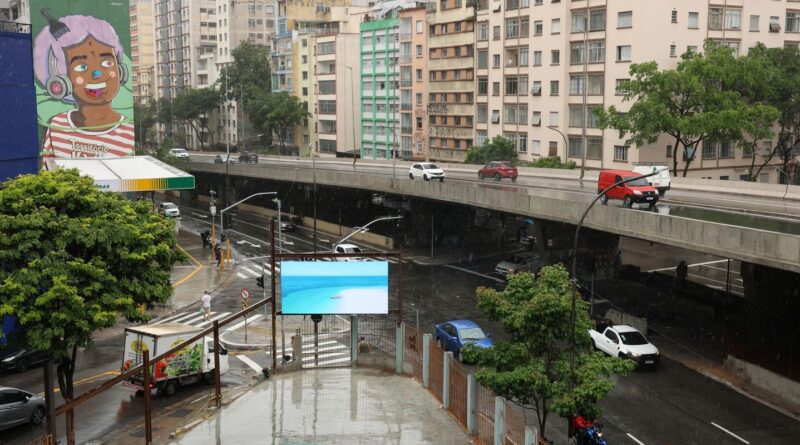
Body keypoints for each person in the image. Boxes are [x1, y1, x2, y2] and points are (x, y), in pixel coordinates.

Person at [33, 12, 134, 158]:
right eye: (82, 67)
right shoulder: (57, 126)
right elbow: (48, 171)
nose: (97, 75)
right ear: (61, 80)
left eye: (107, 63)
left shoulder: (128, 131)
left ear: (120, 71)